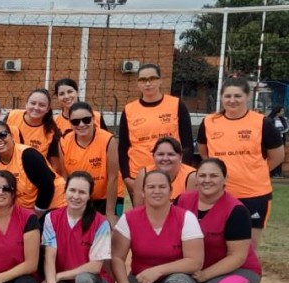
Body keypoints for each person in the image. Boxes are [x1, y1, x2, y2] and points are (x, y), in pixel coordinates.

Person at [111, 169, 203, 283]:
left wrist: (158, 270)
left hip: (178, 277)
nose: (157, 191)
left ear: (170, 191)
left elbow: (195, 262)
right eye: (151, 187)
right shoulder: (130, 218)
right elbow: (117, 257)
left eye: (162, 187)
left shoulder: (186, 217)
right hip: (142, 278)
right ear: (143, 192)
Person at [178, 159, 262, 283]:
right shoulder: (183, 200)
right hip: (199, 266)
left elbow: (238, 256)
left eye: (214, 175)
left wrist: (205, 274)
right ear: (196, 178)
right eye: (203, 175)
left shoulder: (236, 210)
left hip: (240, 269)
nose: (207, 180)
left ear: (225, 179)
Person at [198, 78, 284, 247]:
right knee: (215, 244)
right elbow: (204, 153)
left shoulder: (262, 123)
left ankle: (247, 274)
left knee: (248, 248)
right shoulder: (209, 122)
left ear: (247, 97)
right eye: (227, 96)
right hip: (219, 194)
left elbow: (278, 156)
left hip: (254, 194)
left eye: (237, 96)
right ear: (221, 97)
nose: (232, 100)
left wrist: (255, 171)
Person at [39, 172, 113, 283]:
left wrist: (58, 276)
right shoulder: (52, 217)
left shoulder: (100, 223)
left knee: (84, 280)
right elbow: (49, 256)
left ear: (89, 196)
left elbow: (95, 267)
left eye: (82, 192)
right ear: (65, 192)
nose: (76, 196)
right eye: (72, 190)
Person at [119, 63, 194, 198]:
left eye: (152, 78)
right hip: (139, 177)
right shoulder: (129, 110)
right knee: (142, 217)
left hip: (172, 176)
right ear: (138, 84)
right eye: (143, 80)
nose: (148, 83)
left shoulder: (177, 105)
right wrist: (126, 177)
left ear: (160, 81)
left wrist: (181, 174)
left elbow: (188, 144)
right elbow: (123, 147)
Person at [57, 102, 122, 220]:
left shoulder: (108, 139)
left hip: (105, 198)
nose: (81, 124)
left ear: (93, 119)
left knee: (107, 228)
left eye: (86, 120)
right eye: (75, 121)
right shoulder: (64, 141)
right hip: (79, 198)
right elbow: (65, 177)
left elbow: (113, 177)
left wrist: (109, 213)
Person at [0, 121, 65, 214]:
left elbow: (47, 187)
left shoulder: (28, 155)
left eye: (2, 134)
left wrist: (36, 216)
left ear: (12, 135)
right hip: (28, 209)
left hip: (53, 205)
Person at [6, 89, 63, 172]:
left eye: (42, 105)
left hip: (33, 176)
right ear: (26, 104)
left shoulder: (52, 132)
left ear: (48, 109)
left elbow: (54, 167)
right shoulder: (12, 116)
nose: (36, 108)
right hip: (8, 173)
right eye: (33, 103)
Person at [133, 137, 197, 207]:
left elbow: (191, 211)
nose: (165, 158)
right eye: (160, 154)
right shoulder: (144, 174)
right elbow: (138, 208)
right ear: (153, 156)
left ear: (181, 157)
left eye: (171, 154)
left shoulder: (192, 176)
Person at [268, 106, 287, 178]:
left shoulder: (283, 120)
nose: (282, 113)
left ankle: (278, 173)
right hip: (272, 141)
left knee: (280, 157)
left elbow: (286, 128)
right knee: (272, 156)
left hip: (281, 140)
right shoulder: (269, 120)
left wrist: (280, 132)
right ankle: (271, 172)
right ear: (277, 111)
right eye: (281, 111)